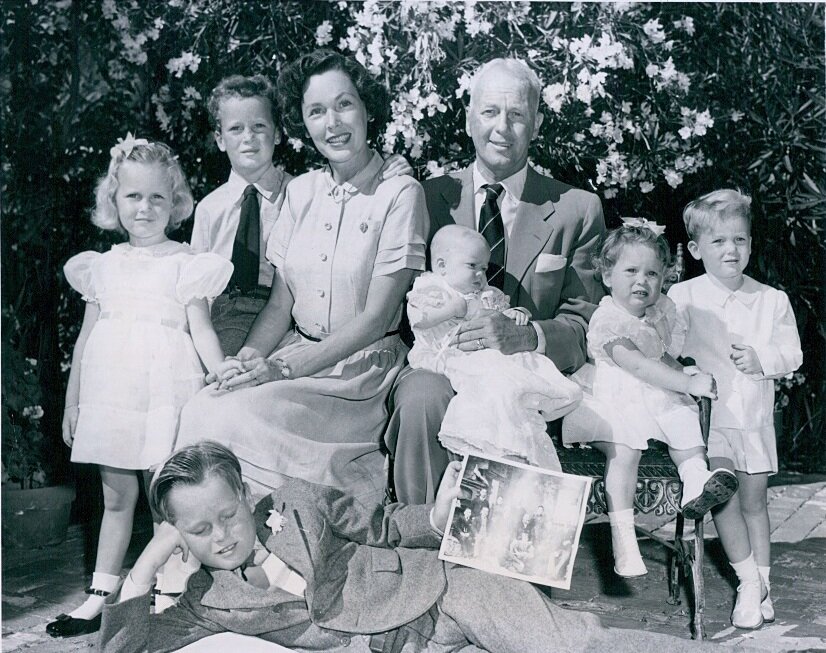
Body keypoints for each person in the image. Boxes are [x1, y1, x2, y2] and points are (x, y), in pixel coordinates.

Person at [98, 441, 720, 653]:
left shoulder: (296, 501)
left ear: (244, 491)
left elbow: (387, 525)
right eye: (199, 530)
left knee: (561, 647)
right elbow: (127, 650)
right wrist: (144, 570)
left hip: (441, 589)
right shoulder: (207, 600)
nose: (223, 537)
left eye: (228, 516)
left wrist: (440, 516)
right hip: (409, 647)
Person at [176, 50, 428, 507]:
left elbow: (376, 318)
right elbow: (279, 304)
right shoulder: (301, 191)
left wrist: (281, 369)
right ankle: (210, 558)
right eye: (317, 111)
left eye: (344, 104)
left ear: (367, 108)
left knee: (235, 420)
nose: (332, 122)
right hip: (294, 355)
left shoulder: (401, 193)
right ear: (304, 125)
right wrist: (247, 363)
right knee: (204, 406)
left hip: (359, 377)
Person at [384, 57, 606, 504]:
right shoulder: (425, 197)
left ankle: (506, 558)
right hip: (443, 363)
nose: (502, 127)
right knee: (422, 399)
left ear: (537, 123)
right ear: (468, 119)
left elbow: (585, 326)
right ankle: (423, 547)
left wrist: (528, 337)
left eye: (517, 114)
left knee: (512, 407)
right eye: (489, 112)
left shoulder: (577, 209)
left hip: (524, 375)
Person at [47, 138, 236, 638]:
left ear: (174, 203)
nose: (145, 207)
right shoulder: (101, 266)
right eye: (133, 197)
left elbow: (203, 331)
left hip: (164, 393)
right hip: (112, 393)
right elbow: (87, 340)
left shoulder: (186, 262)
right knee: (114, 497)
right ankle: (101, 593)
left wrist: (222, 376)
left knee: (163, 498)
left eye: (157, 197)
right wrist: (73, 402)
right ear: (114, 202)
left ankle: (167, 591)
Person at [562, 219, 739, 578]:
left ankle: (695, 481)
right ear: (607, 276)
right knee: (625, 447)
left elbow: (660, 357)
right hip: (610, 402)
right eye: (631, 271)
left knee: (682, 417)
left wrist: (686, 373)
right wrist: (684, 383)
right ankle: (623, 540)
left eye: (652, 274)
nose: (642, 281)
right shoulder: (608, 319)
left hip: (650, 396)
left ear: (663, 279)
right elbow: (638, 365)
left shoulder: (658, 315)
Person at [192, 74, 411, 355]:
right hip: (223, 314)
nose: (249, 137)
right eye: (236, 128)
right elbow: (196, 292)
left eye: (259, 126)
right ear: (220, 139)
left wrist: (391, 165)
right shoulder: (209, 209)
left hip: (285, 314)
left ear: (278, 133)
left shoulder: (303, 195)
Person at [669, 189, 802, 630]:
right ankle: (747, 583)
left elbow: (793, 353)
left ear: (749, 243)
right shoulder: (683, 297)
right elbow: (667, 349)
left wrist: (763, 359)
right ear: (695, 249)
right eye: (719, 241)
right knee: (722, 498)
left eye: (739, 240)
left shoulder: (771, 299)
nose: (731, 250)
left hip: (754, 419)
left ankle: (763, 585)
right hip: (710, 423)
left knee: (755, 504)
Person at [407, 225, 582, 469]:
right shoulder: (433, 288)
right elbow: (419, 319)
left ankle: (540, 407)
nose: (480, 275)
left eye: (484, 268)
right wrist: (456, 309)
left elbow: (498, 317)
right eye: (472, 266)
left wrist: (516, 315)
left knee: (521, 369)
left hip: (482, 353)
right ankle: (494, 442)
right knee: (495, 381)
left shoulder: (485, 293)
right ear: (442, 265)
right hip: (446, 353)